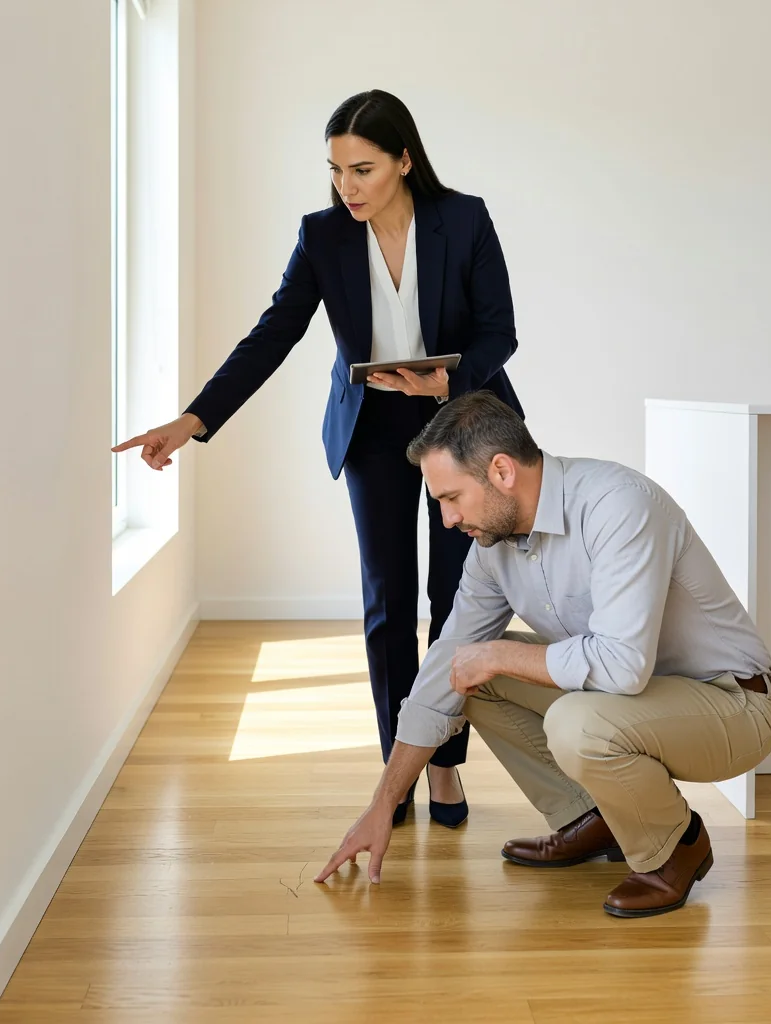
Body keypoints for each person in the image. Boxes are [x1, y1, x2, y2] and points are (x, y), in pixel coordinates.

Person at [113, 92, 523, 828]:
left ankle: (446, 767)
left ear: (404, 160)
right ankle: (396, 772)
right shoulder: (323, 235)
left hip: (462, 418)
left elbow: (500, 330)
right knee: (388, 603)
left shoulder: (463, 219)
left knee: (456, 601)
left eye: (362, 169)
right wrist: (193, 419)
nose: (347, 186)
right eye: (335, 170)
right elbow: (273, 334)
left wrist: (446, 383)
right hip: (372, 426)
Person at [315, 391, 771, 917]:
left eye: (451, 498)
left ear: (502, 471)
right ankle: (597, 815)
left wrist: (496, 657)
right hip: (640, 698)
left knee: (573, 719)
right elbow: (448, 666)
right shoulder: (492, 548)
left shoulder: (616, 505)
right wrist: (383, 804)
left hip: (731, 705)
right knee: (466, 672)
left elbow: (622, 666)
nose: (446, 520)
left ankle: (675, 846)